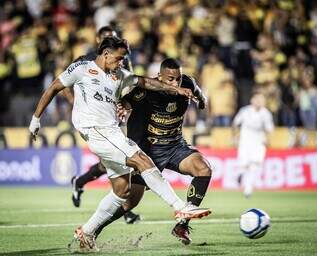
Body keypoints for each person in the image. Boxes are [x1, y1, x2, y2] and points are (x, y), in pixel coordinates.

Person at [28, 37, 211, 252]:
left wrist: (178, 90)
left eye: (124, 59)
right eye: (119, 58)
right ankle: (180, 207)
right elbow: (54, 87)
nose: (122, 62)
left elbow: (146, 81)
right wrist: (36, 119)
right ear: (106, 53)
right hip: (97, 130)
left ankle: (87, 231)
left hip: (112, 132)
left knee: (121, 191)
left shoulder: (119, 75)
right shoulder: (82, 68)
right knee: (142, 159)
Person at [74, 58, 213, 245]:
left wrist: (202, 100)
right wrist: (123, 107)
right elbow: (127, 101)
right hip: (149, 150)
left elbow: (197, 91)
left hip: (175, 146)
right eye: (170, 79)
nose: (175, 83)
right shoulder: (146, 91)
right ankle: (93, 230)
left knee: (204, 169)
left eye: (178, 79)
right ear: (159, 76)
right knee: (129, 203)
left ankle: (182, 225)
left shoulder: (187, 83)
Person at [68, 25, 140, 224]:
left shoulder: (122, 60)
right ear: (98, 39)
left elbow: (130, 86)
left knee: (113, 161)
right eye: (106, 37)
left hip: (114, 116)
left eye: (113, 37)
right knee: (117, 160)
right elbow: (65, 83)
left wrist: (126, 106)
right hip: (93, 120)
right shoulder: (86, 59)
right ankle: (125, 210)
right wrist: (77, 102)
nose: (110, 39)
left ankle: (80, 181)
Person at [232, 92, 274, 198]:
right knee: (244, 166)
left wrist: (268, 139)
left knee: (254, 166)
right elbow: (235, 124)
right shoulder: (245, 111)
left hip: (258, 143)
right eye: (257, 99)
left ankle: (248, 189)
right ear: (252, 100)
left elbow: (269, 129)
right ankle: (240, 175)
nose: (259, 102)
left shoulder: (266, 114)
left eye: (262, 100)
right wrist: (234, 137)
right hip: (245, 142)